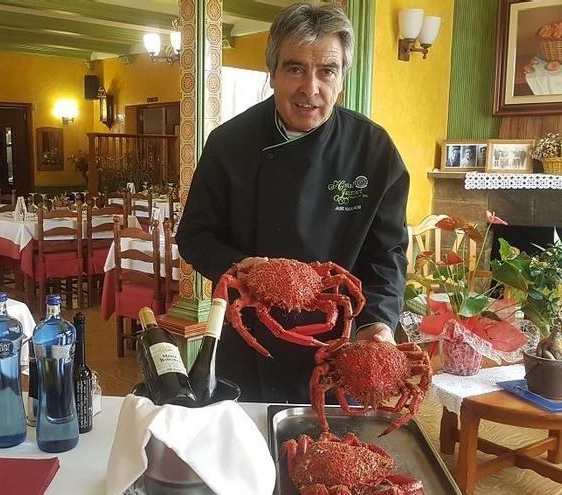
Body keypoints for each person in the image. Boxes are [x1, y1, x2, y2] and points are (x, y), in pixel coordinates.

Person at [175, 3, 409, 403]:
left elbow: (387, 252)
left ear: (342, 80)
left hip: (340, 344)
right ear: (272, 74)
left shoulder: (373, 150)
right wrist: (237, 268)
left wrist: (379, 321)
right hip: (251, 340)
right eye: (295, 68)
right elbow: (194, 236)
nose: (310, 88)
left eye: (327, 71)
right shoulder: (230, 144)